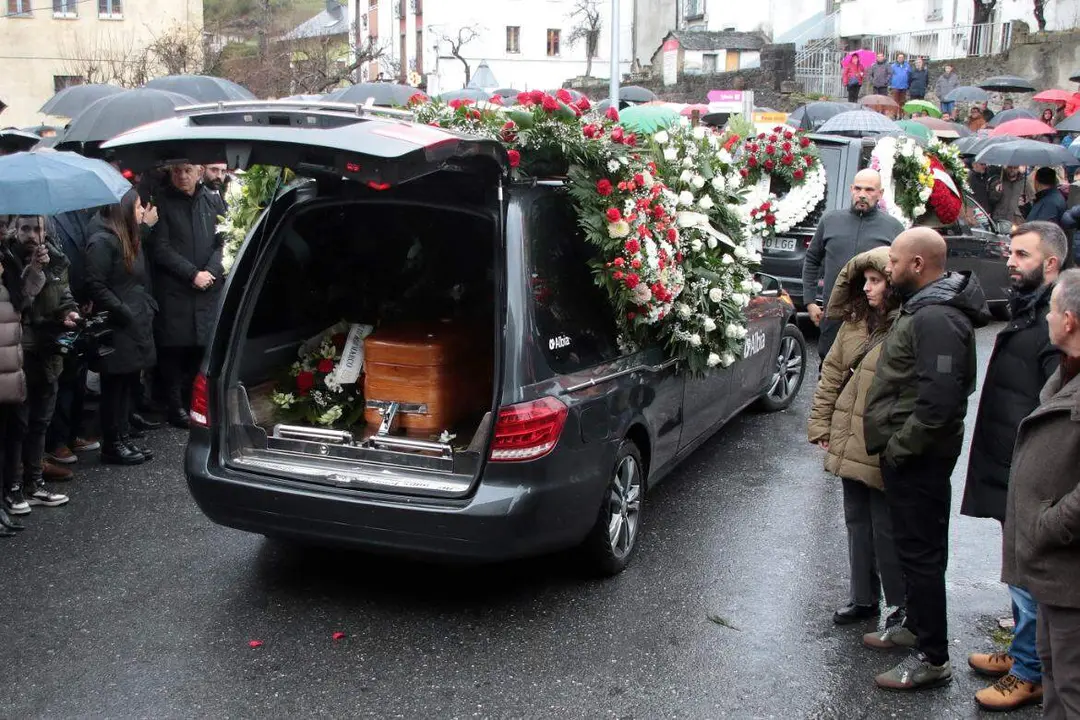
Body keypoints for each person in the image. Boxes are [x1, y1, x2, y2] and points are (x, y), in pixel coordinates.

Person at [862, 228, 991, 691]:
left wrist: (900, 447)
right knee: (912, 548)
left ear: (918, 264)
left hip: (918, 458)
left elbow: (940, 400)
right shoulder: (923, 308)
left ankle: (932, 657)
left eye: (894, 261)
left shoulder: (937, 318)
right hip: (910, 455)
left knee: (921, 555)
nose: (888, 269)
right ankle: (915, 627)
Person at [962, 222, 1067, 711]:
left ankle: (1030, 671)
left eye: (1022, 255)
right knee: (1014, 566)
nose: (1009, 261)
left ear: (1051, 264)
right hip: (1012, 459)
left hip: (1033, 470)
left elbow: (1056, 404)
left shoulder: (1057, 320)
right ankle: (1025, 654)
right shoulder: (1032, 309)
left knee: (1027, 574)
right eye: (1011, 252)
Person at [808, 247, 906, 628]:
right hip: (850, 435)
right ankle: (862, 597)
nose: (867, 288)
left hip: (882, 440)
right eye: (863, 280)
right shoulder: (853, 324)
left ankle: (899, 605)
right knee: (856, 521)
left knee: (887, 527)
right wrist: (821, 426)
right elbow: (831, 374)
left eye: (876, 280)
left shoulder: (905, 326)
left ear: (893, 283)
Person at [1001, 267, 1080, 720]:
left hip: (1068, 566)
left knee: (1072, 688)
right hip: (1053, 567)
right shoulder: (1068, 371)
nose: (1045, 318)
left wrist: (1049, 523)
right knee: (1056, 675)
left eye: (1051, 310)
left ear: (1068, 320)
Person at [1, 216, 79, 515]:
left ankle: (34, 483)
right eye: (26, 229)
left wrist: (69, 312)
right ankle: (15, 486)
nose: (32, 235)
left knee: (40, 423)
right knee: (18, 427)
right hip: (21, 352)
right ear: (15, 230)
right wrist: (32, 269)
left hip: (49, 350)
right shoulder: (8, 258)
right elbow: (19, 304)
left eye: (38, 229)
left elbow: (64, 295)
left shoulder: (56, 258)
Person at [85, 189, 158, 466]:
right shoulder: (102, 241)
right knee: (114, 385)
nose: (143, 212)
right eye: (139, 207)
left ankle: (123, 435)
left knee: (128, 381)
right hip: (119, 323)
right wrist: (122, 310)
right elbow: (96, 284)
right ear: (125, 210)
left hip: (135, 320)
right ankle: (112, 442)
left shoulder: (127, 238)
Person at [150, 164, 226, 428]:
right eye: (177, 171)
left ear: (199, 171)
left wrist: (212, 271)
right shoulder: (163, 202)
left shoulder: (212, 200)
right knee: (174, 351)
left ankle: (197, 403)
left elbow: (223, 241)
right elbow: (160, 248)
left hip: (208, 286)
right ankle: (174, 406)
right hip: (177, 288)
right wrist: (192, 273)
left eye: (188, 170)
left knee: (201, 349)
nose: (182, 176)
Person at [802, 169, 905, 360]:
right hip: (834, 314)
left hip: (874, 316)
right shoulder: (830, 220)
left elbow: (901, 271)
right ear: (851, 189)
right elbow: (812, 260)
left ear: (880, 194)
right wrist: (810, 301)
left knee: (865, 370)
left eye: (869, 190)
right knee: (828, 368)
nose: (862, 195)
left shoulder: (893, 227)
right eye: (858, 188)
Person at [44, 209, 99, 468]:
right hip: (56, 306)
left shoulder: (80, 213)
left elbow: (82, 254)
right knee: (61, 376)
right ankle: (57, 441)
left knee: (77, 373)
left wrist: (85, 296)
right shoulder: (46, 216)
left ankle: (72, 432)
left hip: (76, 300)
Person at [0, 225, 41, 534]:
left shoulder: (8, 256)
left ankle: (5, 497)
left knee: (12, 429)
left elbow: (21, 303)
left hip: (10, 360)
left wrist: (34, 270)